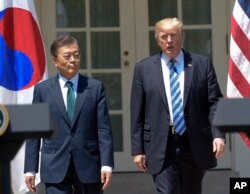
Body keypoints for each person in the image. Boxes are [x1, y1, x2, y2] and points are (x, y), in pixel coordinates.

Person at [130, 18, 225, 194]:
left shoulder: (201, 64)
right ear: (157, 39)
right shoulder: (143, 68)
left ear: (182, 37)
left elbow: (215, 102)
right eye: (164, 36)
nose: (169, 40)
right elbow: (137, 111)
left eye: (173, 35)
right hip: (160, 144)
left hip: (193, 142)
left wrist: (218, 135)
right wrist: (138, 150)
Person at [24, 35, 114, 194]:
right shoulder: (42, 90)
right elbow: (33, 133)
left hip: (88, 166)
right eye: (67, 56)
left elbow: (103, 129)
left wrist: (106, 164)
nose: (73, 60)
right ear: (55, 60)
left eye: (77, 55)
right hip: (54, 166)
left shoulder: (95, 87)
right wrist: (30, 169)